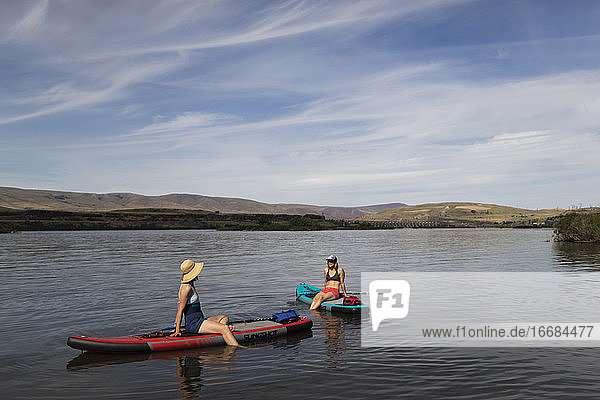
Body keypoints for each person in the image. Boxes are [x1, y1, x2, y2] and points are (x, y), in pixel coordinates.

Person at [170, 259, 240, 346]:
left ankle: (218, 331)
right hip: (194, 324)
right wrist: (177, 330)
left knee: (224, 318)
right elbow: (180, 310)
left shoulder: (190, 284)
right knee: (225, 328)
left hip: (200, 319)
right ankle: (237, 347)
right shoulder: (186, 288)